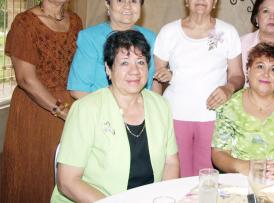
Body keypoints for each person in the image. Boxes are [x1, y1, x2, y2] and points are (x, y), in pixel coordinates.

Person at [51, 30, 179, 203]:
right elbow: (67, 181)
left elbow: (170, 163)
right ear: (108, 69)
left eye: (140, 62)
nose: (134, 71)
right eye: (124, 63)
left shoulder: (160, 106)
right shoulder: (86, 109)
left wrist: (164, 198)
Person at [0, 0, 83, 203]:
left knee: (69, 173)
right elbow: (26, 79)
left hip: (73, 105)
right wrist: (61, 110)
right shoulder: (25, 23)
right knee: (35, 173)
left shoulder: (76, 21)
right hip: (37, 109)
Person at [152, 0, 244, 177]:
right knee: (176, 176)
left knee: (208, 178)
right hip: (174, 115)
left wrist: (228, 88)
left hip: (213, 117)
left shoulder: (227, 32)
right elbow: (156, 76)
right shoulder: (169, 32)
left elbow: (238, 75)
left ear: (215, 1)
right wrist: (162, 74)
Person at [211, 42, 274, 179]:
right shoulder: (229, 106)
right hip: (242, 183)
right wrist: (242, 166)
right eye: (260, 66)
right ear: (248, 70)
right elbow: (219, 153)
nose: (266, 74)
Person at [67, 0, 156, 99]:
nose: (127, 6)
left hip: (140, 112)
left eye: (134, 1)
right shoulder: (90, 38)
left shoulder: (151, 38)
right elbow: (78, 90)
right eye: (120, 0)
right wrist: (113, 113)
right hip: (101, 112)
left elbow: (153, 83)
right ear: (108, 5)